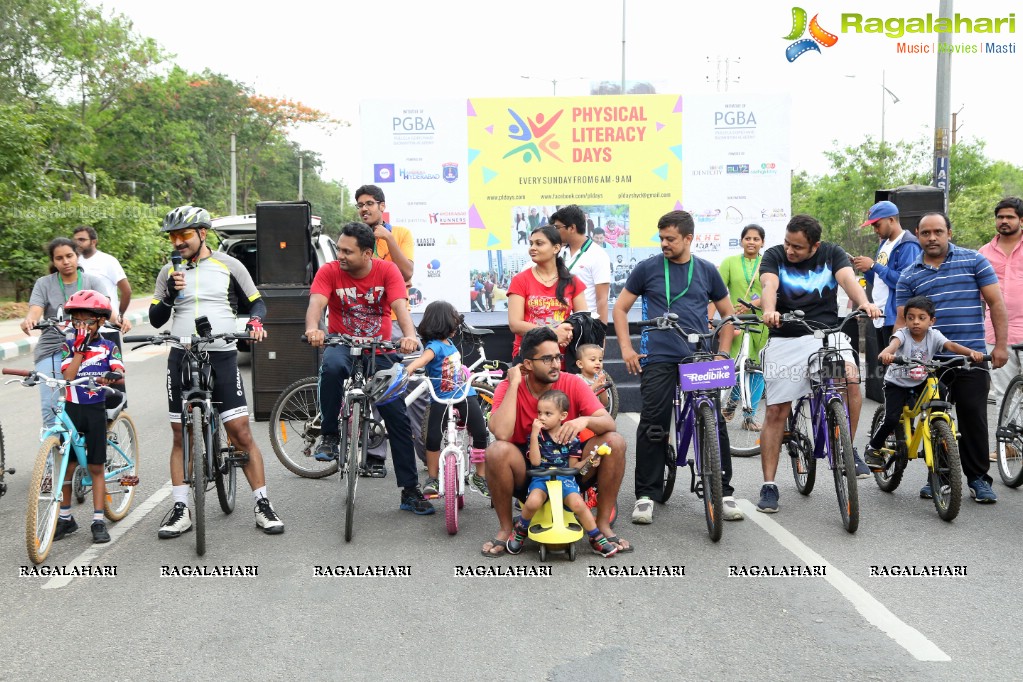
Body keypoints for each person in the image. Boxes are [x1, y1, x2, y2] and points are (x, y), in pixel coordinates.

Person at [151, 206, 284, 538]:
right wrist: (171, 295)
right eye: (173, 236)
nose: (177, 242)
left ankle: (263, 504)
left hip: (222, 353)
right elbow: (155, 318)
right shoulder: (169, 271)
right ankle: (181, 509)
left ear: (202, 234)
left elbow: (257, 302)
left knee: (240, 432)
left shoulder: (230, 265)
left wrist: (255, 322)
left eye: (184, 235)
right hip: (182, 355)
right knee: (183, 435)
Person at [613, 209, 744, 524]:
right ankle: (646, 495)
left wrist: (722, 353)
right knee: (654, 424)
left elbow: (727, 316)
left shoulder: (707, 271)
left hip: (697, 356)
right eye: (661, 238)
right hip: (658, 355)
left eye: (670, 238)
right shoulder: (647, 269)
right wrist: (627, 349)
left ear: (689, 238)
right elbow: (620, 308)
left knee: (714, 420)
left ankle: (724, 492)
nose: (664, 244)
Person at [304, 222, 434, 515]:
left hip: (380, 348)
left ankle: (410, 491)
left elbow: (401, 308)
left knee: (397, 418)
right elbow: (316, 305)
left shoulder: (387, 272)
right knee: (332, 366)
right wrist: (314, 329)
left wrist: (410, 336)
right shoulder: (329, 271)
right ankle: (329, 435)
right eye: (339, 249)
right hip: (342, 343)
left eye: (348, 251)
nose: (341, 255)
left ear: (367, 253)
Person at [757, 215, 881, 513]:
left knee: (850, 379)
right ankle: (769, 485)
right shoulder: (774, 255)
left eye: (797, 247)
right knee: (777, 410)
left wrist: (864, 302)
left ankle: (846, 449)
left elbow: (848, 280)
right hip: (786, 339)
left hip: (826, 337)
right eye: (788, 243)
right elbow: (768, 286)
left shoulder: (832, 253)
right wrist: (771, 311)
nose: (790, 250)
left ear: (815, 245)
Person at [479, 327, 630, 556]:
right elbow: (501, 432)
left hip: (569, 469)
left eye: (558, 356)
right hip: (529, 471)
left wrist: (584, 421)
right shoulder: (508, 387)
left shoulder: (573, 383)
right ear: (528, 364)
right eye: (547, 359)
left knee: (615, 442)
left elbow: (609, 424)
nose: (556, 364)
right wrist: (514, 384)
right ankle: (506, 529)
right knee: (497, 451)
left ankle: (602, 526)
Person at [895, 211, 1008, 503]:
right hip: (929, 362)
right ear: (917, 235)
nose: (932, 238)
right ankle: (939, 475)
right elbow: (900, 321)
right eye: (925, 233)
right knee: (934, 418)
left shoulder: (974, 261)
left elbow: (996, 303)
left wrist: (1000, 347)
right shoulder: (909, 275)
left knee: (973, 417)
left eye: (938, 232)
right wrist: (898, 353)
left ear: (949, 233)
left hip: (971, 358)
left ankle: (979, 478)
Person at [864, 296, 984, 470]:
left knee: (940, 388)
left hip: (919, 380)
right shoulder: (902, 334)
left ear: (931, 321)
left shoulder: (934, 335)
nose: (916, 322)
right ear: (905, 320)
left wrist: (972, 353)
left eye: (922, 318)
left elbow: (951, 346)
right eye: (910, 318)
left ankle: (938, 425)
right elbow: (893, 345)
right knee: (891, 418)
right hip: (897, 383)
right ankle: (873, 448)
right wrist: (887, 354)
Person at [504, 389, 619, 557]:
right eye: (539, 413)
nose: (541, 417)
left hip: (565, 478)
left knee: (579, 504)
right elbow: (535, 462)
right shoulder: (536, 436)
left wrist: (590, 461)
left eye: (548, 413)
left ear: (563, 416)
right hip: (541, 478)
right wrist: (534, 435)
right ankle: (521, 529)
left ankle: (596, 537)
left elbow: (575, 466)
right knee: (533, 501)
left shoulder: (572, 439)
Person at [53, 290, 126, 544]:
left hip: (95, 407)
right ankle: (65, 517)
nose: (81, 326)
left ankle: (97, 520)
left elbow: (118, 369)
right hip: (72, 407)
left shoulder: (108, 346)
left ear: (101, 322)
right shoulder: (68, 346)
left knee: (95, 465)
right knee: (67, 466)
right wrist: (79, 351)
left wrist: (112, 375)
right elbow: (68, 377)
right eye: (77, 321)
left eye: (87, 321)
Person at [356, 183, 415, 476]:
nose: (364, 209)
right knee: (366, 390)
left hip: (392, 321)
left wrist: (388, 239)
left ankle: (382, 455)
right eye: (360, 205)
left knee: (389, 390)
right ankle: (371, 454)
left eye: (369, 203)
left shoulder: (400, 234)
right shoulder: (356, 237)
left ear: (381, 205)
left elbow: (407, 273)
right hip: (362, 320)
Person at [403, 300, 489, 498]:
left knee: (480, 432)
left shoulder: (449, 343)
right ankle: (433, 478)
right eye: (454, 324)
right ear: (443, 324)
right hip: (441, 399)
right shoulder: (434, 347)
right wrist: (408, 370)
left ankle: (479, 475)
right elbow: (422, 360)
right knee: (432, 438)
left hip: (465, 394)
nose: (456, 328)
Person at [22, 238, 107, 428]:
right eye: (59, 258)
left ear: (77, 256)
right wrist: (30, 319)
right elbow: (35, 310)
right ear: (53, 261)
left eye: (69, 256)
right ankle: (51, 455)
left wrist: (120, 319)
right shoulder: (44, 283)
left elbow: (108, 309)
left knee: (89, 402)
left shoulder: (92, 281)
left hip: (88, 348)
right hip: (52, 349)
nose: (65, 261)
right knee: (51, 406)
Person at [979, 197, 1023, 454]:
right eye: (1000, 217)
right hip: (996, 334)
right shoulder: (984, 253)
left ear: (1021, 220)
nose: (1004, 221)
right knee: (1005, 392)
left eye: (1010, 217)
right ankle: (1009, 447)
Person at [715, 223, 769, 430]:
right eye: (748, 238)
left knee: (757, 370)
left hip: (762, 323)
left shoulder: (768, 263)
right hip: (736, 323)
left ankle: (749, 417)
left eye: (756, 239)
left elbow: (774, 290)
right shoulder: (729, 262)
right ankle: (730, 402)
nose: (752, 242)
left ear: (762, 242)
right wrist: (710, 319)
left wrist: (754, 304)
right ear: (741, 241)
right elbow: (716, 292)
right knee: (736, 368)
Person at [507, 225, 587, 363]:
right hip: (529, 358)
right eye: (531, 243)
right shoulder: (520, 280)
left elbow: (584, 321)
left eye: (539, 243)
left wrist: (567, 332)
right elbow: (515, 324)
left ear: (556, 248)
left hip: (562, 358)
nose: (532, 248)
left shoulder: (572, 282)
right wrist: (554, 333)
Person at [851, 200, 921, 347]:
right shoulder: (884, 244)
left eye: (877, 225)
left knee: (895, 365)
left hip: (896, 318)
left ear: (891, 220)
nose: (875, 230)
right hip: (881, 316)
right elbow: (879, 280)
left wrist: (873, 265)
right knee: (884, 365)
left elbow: (905, 282)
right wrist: (867, 269)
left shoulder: (908, 245)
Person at [551, 204, 611, 324]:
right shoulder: (559, 251)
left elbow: (602, 300)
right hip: (560, 324)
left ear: (572, 228)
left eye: (557, 227)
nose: (555, 231)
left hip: (586, 325)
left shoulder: (598, 254)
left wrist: (600, 335)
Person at [72, 225, 133, 332]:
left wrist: (119, 315)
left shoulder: (108, 261)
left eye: (82, 240)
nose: (78, 243)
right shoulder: (74, 262)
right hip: (82, 328)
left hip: (107, 328)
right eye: (75, 240)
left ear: (93, 242)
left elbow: (126, 291)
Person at [575, 343, 610, 410]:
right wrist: (595, 385)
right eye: (593, 360)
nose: (598, 363)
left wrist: (602, 387)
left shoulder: (599, 379)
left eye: (600, 360)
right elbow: (581, 398)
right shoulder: (577, 379)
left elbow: (604, 404)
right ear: (580, 364)